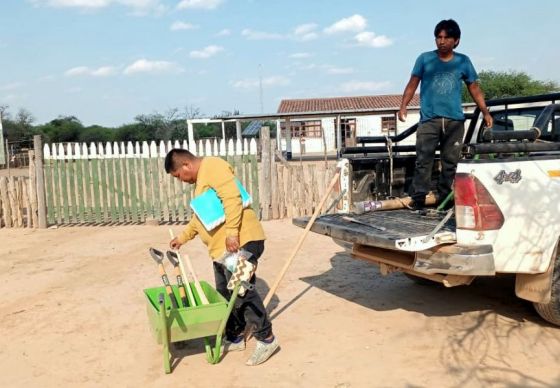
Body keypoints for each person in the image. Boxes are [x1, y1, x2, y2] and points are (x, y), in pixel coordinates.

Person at [165, 148, 278, 366]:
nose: (181, 180)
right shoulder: (199, 185)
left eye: (178, 176)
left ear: (186, 165)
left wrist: (232, 232)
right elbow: (200, 220)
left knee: (241, 289)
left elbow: (232, 198)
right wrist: (182, 237)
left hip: (242, 240)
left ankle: (267, 339)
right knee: (225, 294)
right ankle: (235, 336)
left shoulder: (213, 166)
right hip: (222, 251)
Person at [398, 19, 493, 210]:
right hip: (429, 120)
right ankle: (418, 199)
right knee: (423, 160)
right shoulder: (425, 59)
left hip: (454, 121)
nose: (441, 41)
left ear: (456, 41)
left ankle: (445, 200)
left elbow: (474, 88)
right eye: (438, 37)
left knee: (450, 163)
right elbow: (412, 83)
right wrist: (403, 106)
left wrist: (486, 112)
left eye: (446, 37)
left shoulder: (463, 61)